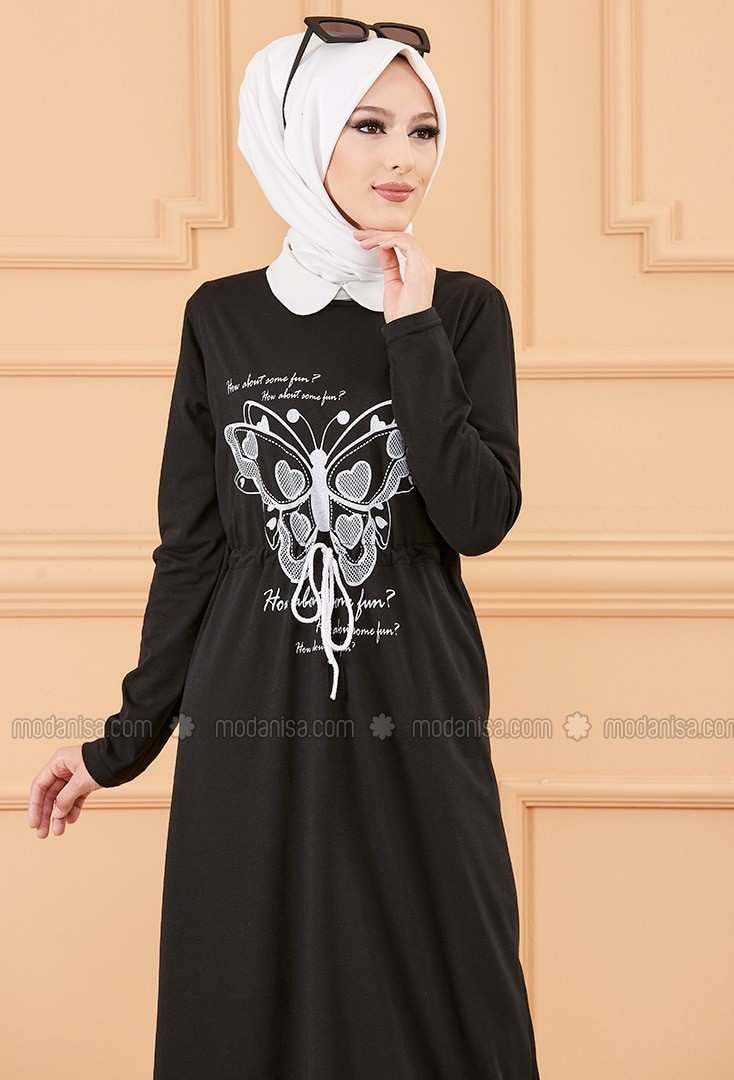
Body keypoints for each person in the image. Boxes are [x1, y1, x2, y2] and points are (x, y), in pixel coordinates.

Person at [27, 21, 541, 1080]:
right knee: (246, 993)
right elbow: (194, 554)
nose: (403, 158)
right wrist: (119, 743)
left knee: (448, 990)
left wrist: (411, 329)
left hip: (418, 713)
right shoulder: (222, 319)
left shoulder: (461, 311)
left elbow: (477, 518)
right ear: (302, 132)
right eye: (369, 126)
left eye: (423, 131)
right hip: (249, 716)